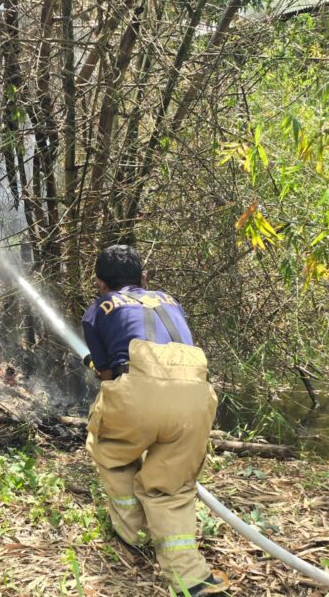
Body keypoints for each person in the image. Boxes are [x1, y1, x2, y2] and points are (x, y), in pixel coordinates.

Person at [81, 245, 229, 596]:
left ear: (101, 284)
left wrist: (92, 363)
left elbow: (106, 373)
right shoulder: (170, 300)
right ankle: (191, 578)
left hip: (139, 397)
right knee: (172, 487)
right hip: (195, 399)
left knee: (112, 454)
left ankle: (132, 532)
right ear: (144, 278)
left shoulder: (97, 310)